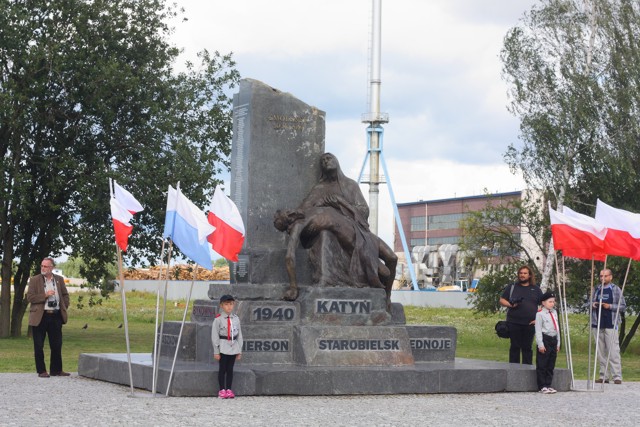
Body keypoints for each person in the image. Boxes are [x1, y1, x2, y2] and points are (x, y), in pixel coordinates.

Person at [26, 257, 71, 378]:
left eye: (45, 266)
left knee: (56, 344)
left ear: (52, 268)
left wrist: (63, 306)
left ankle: (56, 370)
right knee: (39, 345)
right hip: (41, 316)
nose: (43, 268)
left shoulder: (59, 280)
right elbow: (30, 297)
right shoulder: (35, 280)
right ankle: (41, 371)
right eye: (42, 266)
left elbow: (65, 295)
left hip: (55, 316)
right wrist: (45, 295)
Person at [499, 265, 543, 364]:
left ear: (530, 275)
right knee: (515, 347)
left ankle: (526, 372)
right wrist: (510, 305)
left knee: (527, 348)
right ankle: (514, 372)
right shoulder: (512, 287)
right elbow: (502, 300)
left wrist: (538, 319)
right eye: (520, 273)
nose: (522, 275)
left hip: (530, 324)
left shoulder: (536, 289)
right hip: (513, 323)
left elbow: (544, 305)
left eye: (525, 273)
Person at [591, 268, 625, 384]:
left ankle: (617, 376)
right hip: (597, 323)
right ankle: (603, 376)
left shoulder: (615, 289)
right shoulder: (596, 289)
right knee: (600, 352)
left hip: (611, 323)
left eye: (605, 276)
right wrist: (593, 304)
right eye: (601, 276)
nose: (602, 278)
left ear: (610, 277)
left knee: (613, 351)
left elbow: (622, 306)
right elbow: (588, 303)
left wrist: (609, 306)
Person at [211, 294, 243, 398]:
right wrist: (216, 351)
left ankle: (229, 389)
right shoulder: (218, 319)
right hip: (223, 347)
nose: (229, 306)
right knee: (222, 369)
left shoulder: (236, 319)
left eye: (231, 304)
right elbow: (215, 335)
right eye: (226, 304)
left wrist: (239, 350)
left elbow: (239, 335)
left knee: (230, 369)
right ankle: (221, 390)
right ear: (221, 305)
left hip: (233, 347)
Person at [535, 292, 560, 394]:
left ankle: (548, 384)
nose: (552, 303)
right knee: (542, 364)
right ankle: (542, 386)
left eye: (553, 301)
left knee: (551, 364)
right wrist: (540, 344)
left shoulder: (554, 313)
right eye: (550, 302)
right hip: (545, 339)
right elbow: (538, 330)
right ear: (543, 303)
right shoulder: (540, 314)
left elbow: (557, 328)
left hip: (553, 339)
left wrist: (558, 343)